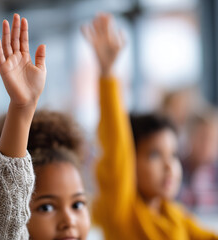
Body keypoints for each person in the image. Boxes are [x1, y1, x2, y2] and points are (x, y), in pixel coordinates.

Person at [82, 13, 218, 239]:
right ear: (130, 161)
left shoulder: (175, 215)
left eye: (173, 154)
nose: (169, 165)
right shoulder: (124, 212)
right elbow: (116, 148)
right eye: (154, 155)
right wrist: (107, 75)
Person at [0, 14, 91, 239]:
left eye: (78, 204)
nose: (69, 221)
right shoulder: (7, 219)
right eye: (46, 207)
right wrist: (22, 108)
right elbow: (3, 214)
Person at [179, 108, 218, 214]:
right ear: (190, 137)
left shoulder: (215, 173)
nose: (207, 145)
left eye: (213, 139)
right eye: (202, 138)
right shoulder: (177, 168)